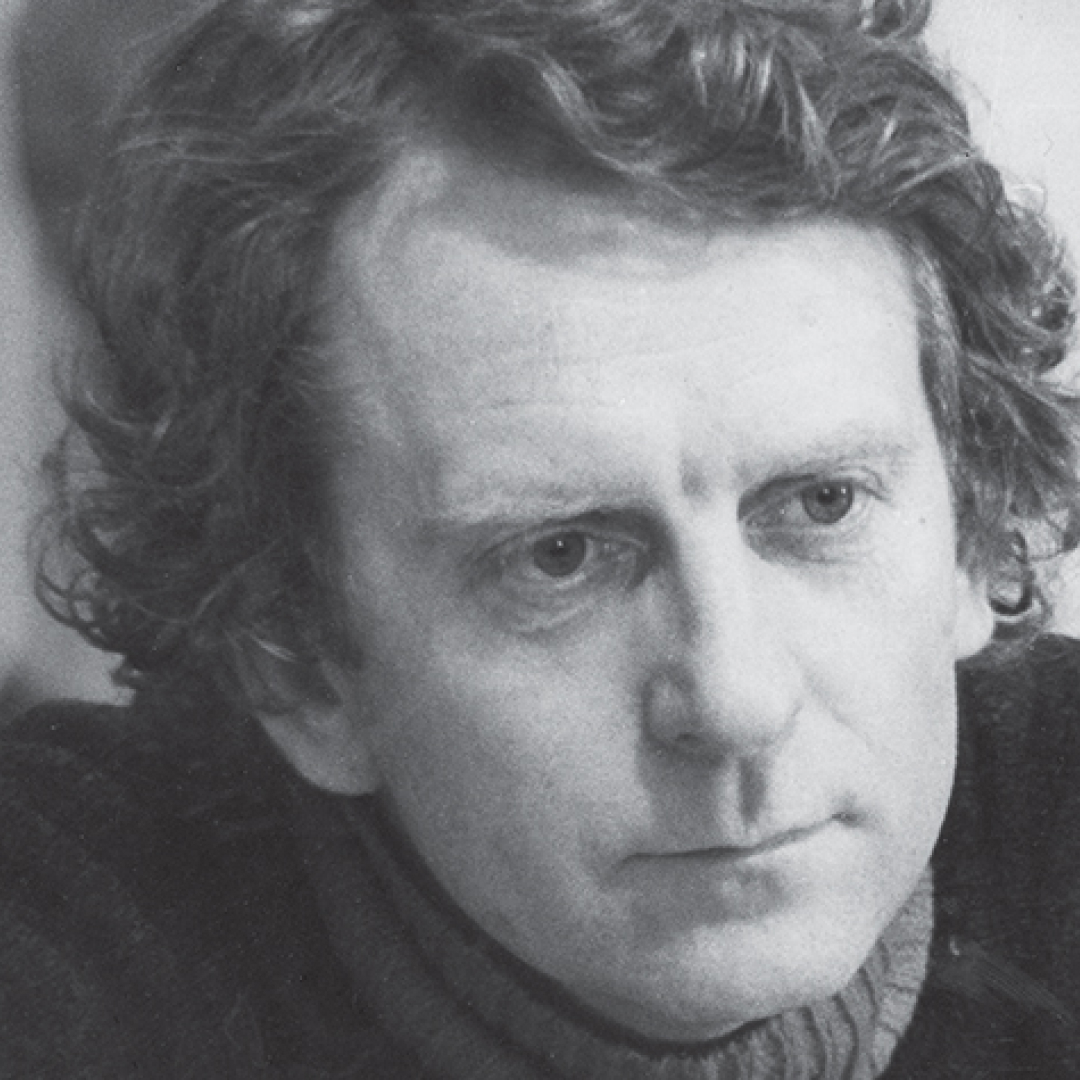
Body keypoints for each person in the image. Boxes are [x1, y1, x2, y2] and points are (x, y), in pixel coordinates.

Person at [2, 0, 1079, 1075]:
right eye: (558, 556)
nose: (736, 702)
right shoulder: (69, 928)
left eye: (821, 505)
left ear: (971, 537)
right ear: (301, 664)